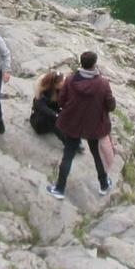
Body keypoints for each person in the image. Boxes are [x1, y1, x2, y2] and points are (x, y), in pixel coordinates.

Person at [45, 50, 114, 201]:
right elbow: (110, 105)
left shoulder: (70, 80)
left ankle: (59, 189)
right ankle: (103, 185)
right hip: (94, 125)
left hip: (72, 123)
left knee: (68, 156)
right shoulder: (103, 83)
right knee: (97, 155)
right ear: (94, 64)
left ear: (81, 63)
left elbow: (61, 101)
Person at [29, 71, 63, 136]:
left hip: (53, 112)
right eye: (61, 82)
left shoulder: (58, 90)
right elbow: (45, 110)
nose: (63, 82)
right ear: (54, 84)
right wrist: (58, 116)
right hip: (41, 122)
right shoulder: (42, 95)